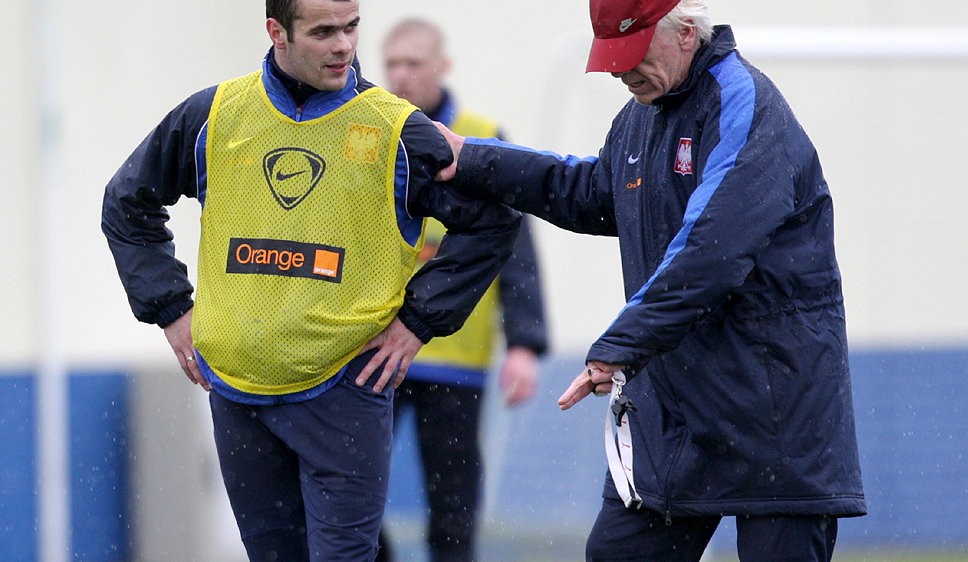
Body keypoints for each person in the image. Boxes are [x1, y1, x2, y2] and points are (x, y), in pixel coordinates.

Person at [433, 0, 867, 560]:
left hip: (774, 410)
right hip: (673, 413)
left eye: (633, 53)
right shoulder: (641, 114)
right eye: (611, 57)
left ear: (686, 33)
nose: (620, 71)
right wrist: (471, 158)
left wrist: (618, 347)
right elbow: (588, 191)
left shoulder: (745, 105)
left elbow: (710, 251)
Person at [101, 0, 522, 560]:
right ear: (277, 32)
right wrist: (172, 308)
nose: (344, 46)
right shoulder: (215, 115)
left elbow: (494, 219)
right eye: (323, 32)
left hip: (347, 390)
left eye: (351, 28)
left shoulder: (395, 129)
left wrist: (418, 323)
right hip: (236, 391)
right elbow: (126, 203)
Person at [376, 19, 549, 562]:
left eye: (413, 63)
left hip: (455, 356)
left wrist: (524, 344)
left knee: (452, 505)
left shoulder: (479, 137)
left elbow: (516, 250)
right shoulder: (370, 135)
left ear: (442, 67)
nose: (401, 76)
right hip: (373, 349)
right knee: (346, 491)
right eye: (392, 64)